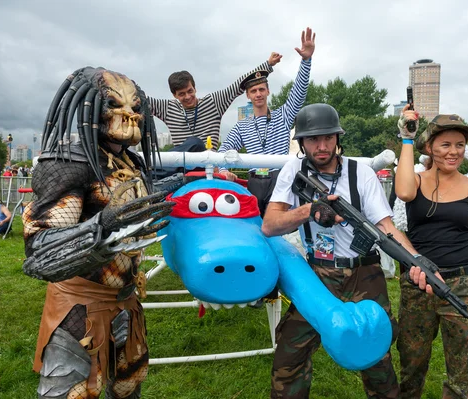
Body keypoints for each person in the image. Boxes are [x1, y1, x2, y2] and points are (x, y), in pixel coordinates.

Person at [262, 103, 436, 399]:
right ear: (302, 142)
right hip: (317, 275)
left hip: (364, 273)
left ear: (337, 138)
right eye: (313, 139)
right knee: (290, 355)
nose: (321, 146)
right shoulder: (294, 170)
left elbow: (386, 227)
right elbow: (269, 225)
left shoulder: (361, 174)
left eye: (328, 138)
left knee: (376, 356)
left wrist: (416, 260)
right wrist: (309, 211)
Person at [22, 67, 173, 398]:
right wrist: (101, 228)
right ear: (90, 108)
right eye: (115, 105)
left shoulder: (135, 165)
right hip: (78, 308)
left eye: (135, 107)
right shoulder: (70, 162)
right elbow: (38, 253)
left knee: (128, 390)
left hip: (127, 303)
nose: (129, 116)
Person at [395, 107, 468, 399]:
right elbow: (402, 192)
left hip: (465, 286)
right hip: (419, 284)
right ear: (429, 147)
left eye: (460, 145)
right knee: (411, 364)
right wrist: (405, 138)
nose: (454, 152)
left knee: (464, 372)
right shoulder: (415, 181)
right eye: (445, 144)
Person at [218, 27, 315, 218]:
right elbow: (225, 150)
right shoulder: (242, 125)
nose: (258, 94)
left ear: (268, 91)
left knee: (278, 226)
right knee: (255, 226)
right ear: (248, 95)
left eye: (262, 89)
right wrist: (223, 170)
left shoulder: (283, 116)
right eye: (253, 91)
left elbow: (299, 92)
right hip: (255, 181)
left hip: (279, 179)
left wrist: (306, 61)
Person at [147, 53, 282, 151]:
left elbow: (238, 85)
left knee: (196, 143)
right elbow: (140, 100)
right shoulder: (168, 108)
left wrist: (268, 64)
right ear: (174, 95)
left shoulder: (213, 103)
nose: (187, 97)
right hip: (181, 168)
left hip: (208, 165)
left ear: (195, 88)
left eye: (190, 91)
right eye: (181, 94)